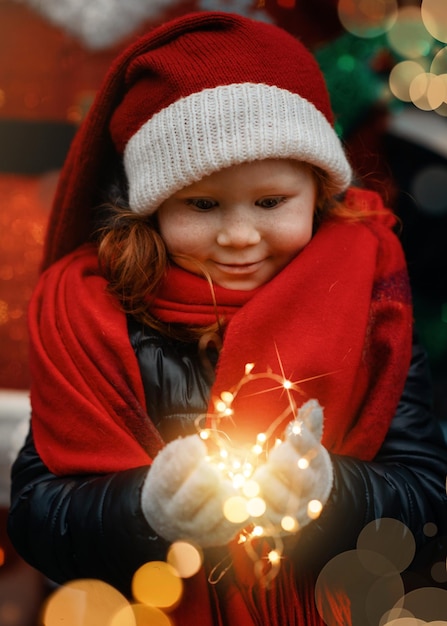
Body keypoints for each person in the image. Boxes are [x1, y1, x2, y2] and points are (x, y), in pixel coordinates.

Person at [7, 11, 447, 626]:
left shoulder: (374, 304)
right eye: (202, 204)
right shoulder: (92, 315)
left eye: (271, 202)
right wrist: (146, 509)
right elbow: (38, 514)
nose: (239, 236)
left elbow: (427, 498)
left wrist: (329, 491)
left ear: (317, 193)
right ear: (153, 207)